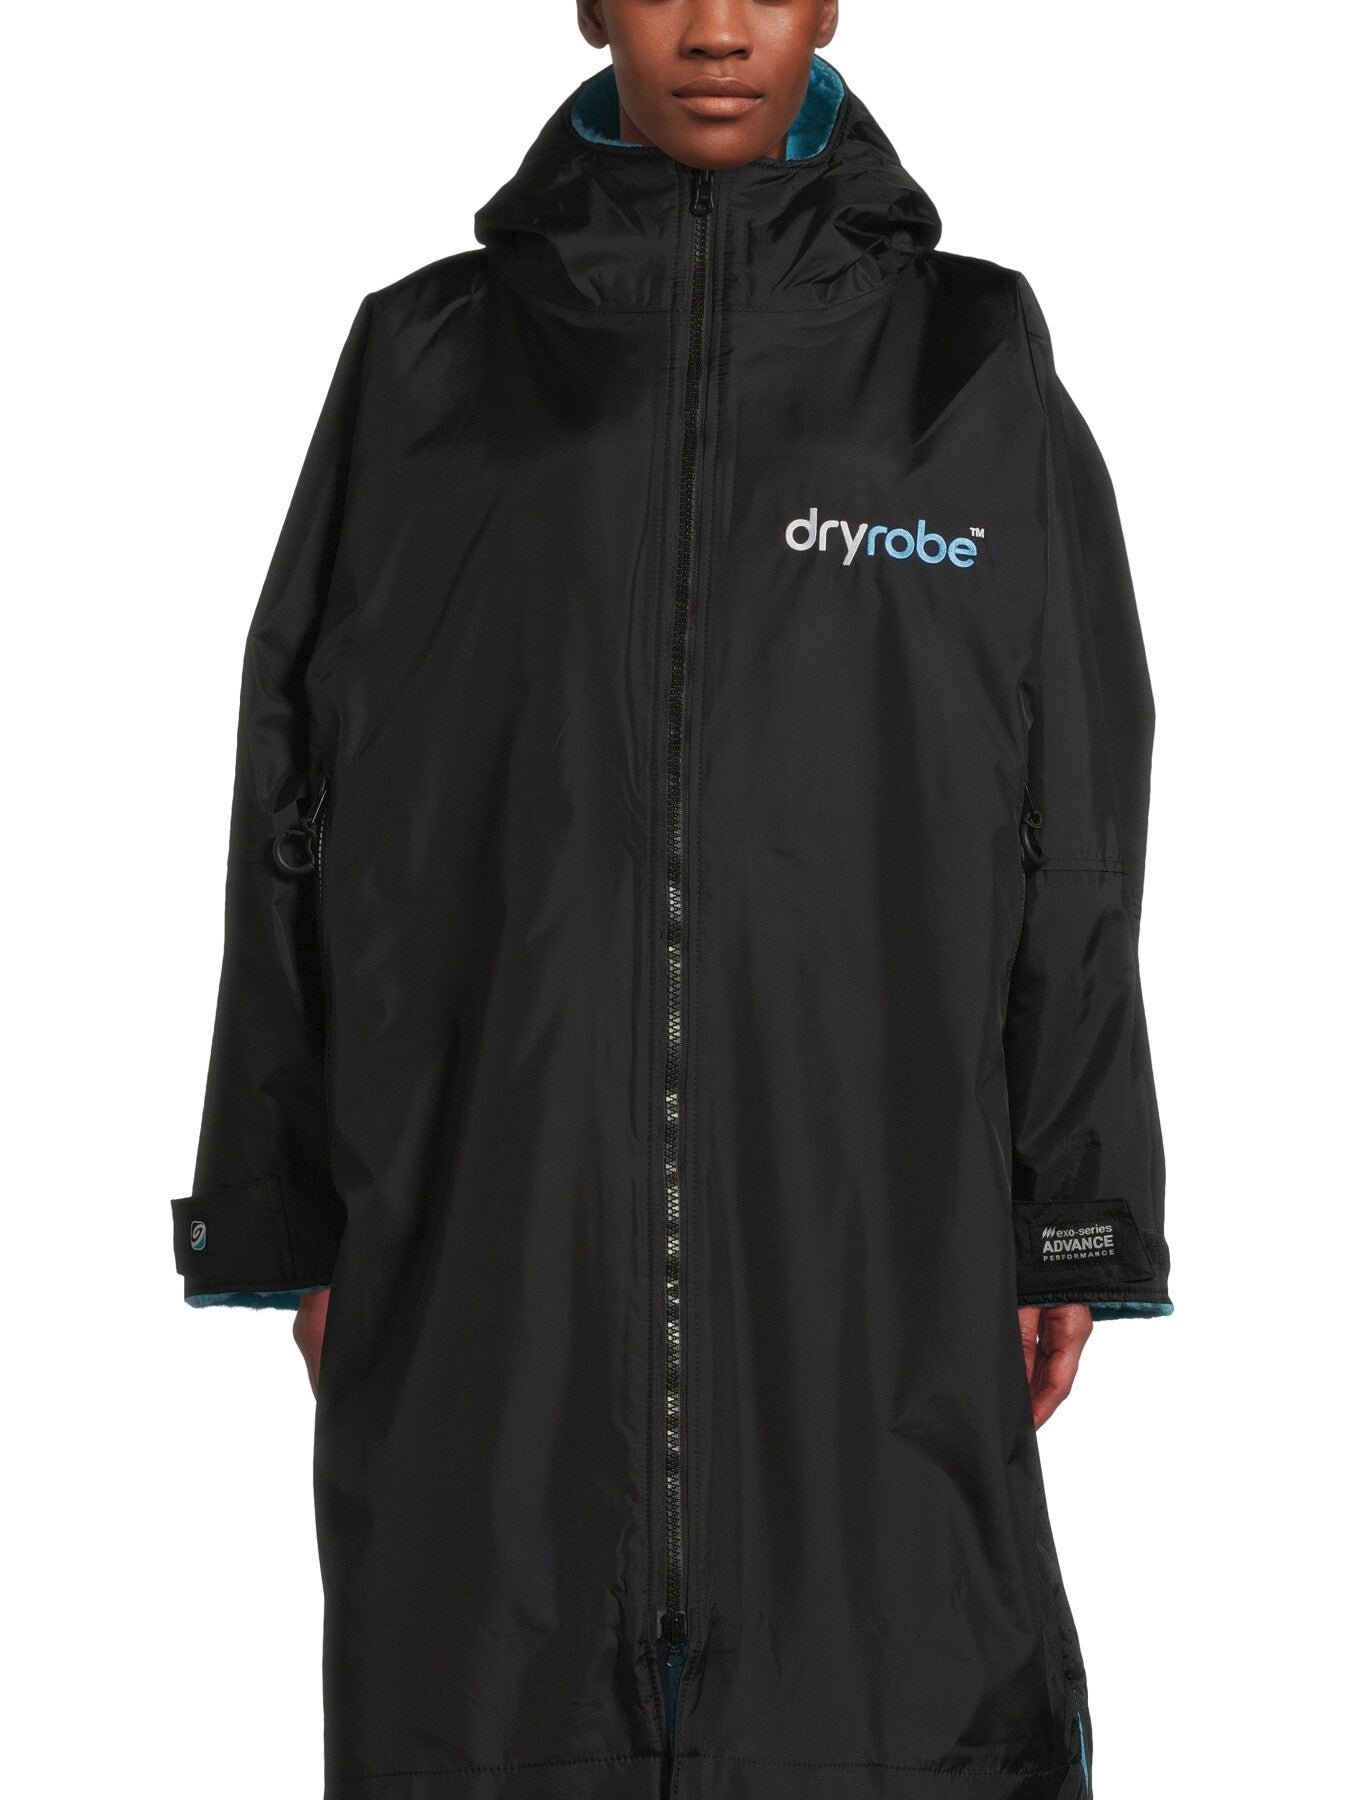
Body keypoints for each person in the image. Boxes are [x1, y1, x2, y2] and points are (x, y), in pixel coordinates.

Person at [171, 4, 1171, 1796]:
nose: (717, 27)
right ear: (587, 3)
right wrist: (282, 1208)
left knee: (895, 1705)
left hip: (869, 1224)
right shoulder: (428, 356)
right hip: (491, 1224)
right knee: (487, 1707)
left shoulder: (966, 358)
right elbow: (291, 802)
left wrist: (1072, 1210)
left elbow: (1076, 811)